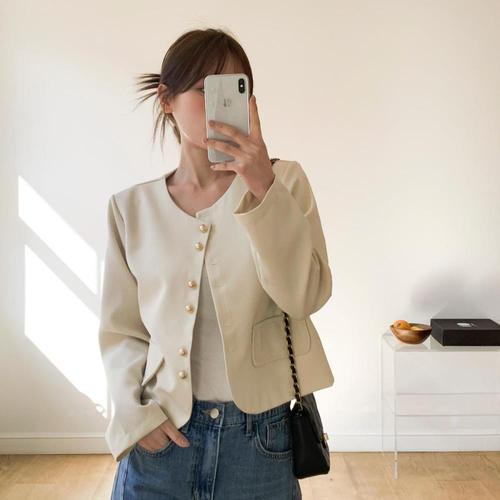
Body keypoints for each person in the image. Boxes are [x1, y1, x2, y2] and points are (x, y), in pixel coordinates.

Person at [99, 27, 334, 500]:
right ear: (167, 99)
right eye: (204, 89)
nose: (218, 104)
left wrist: (263, 187)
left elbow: (304, 297)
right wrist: (136, 416)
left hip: (262, 441)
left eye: (233, 88)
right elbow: (121, 331)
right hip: (161, 437)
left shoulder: (283, 183)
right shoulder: (131, 209)